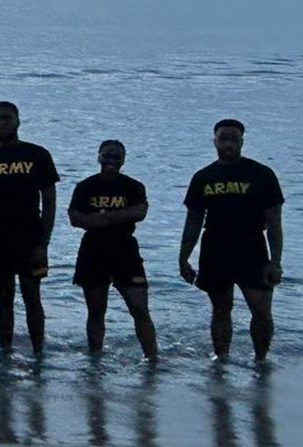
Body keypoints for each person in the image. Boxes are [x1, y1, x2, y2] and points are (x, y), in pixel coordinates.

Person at [180, 119, 284, 362]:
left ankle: (261, 361)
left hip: (252, 248)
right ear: (215, 141)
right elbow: (193, 220)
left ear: (241, 142)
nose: (228, 144)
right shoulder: (203, 177)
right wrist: (183, 257)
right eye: (223, 139)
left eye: (233, 139)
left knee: (260, 310)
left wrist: (275, 261)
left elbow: (274, 223)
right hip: (216, 248)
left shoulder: (261, 175)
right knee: (221, 308)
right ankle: (221, 361)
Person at [0, 101, 59, 352]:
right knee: (4, 298)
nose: (1, 123)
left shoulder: (37, 154)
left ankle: (38, 353)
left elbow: (50, 200)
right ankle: (5, 353)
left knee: (33, 297)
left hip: (30, 239)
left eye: (6, 118)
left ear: (18, 120)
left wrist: (44, 243)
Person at [69, 140, 158, 359]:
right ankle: (95, 360)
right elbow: (75, 218)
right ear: (99, 157)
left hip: (125, 250)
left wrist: (102, 218)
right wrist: (117, 217)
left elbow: (139, 212)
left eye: (117, 155)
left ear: (124, 159)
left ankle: (153, 359)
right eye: (107, 154)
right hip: (93, 251)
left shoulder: (133, 186)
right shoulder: (85, 186)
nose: (112, 159)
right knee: (96, 310)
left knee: (139, 309)